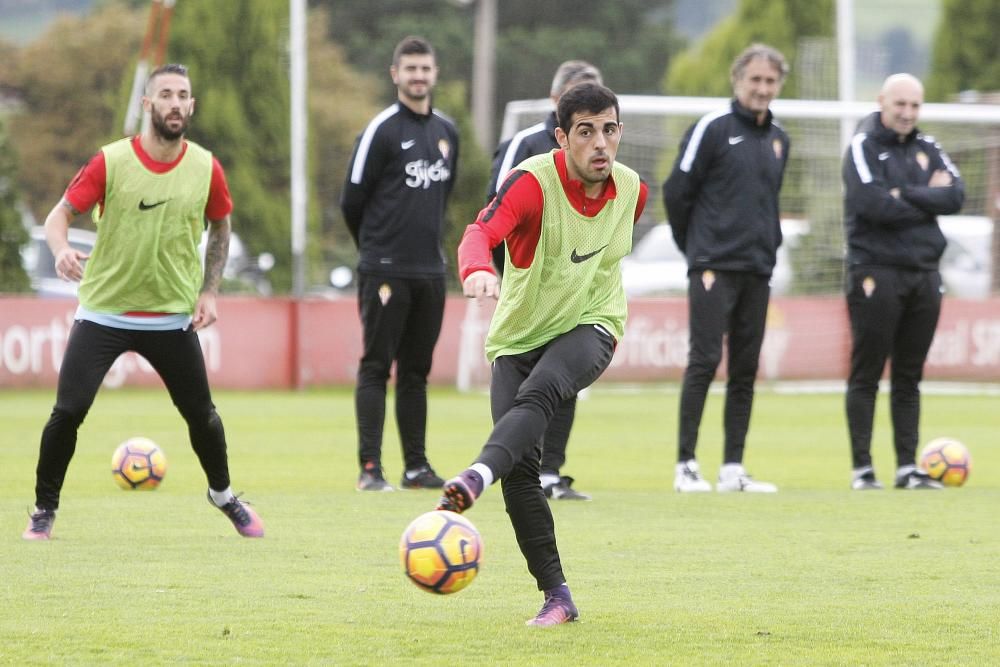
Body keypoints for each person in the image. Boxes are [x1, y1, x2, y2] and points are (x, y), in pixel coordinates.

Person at [22, 63, 263, 540]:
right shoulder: (110, 161)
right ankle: (43, 510)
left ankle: (223, 495)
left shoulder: (205, 166)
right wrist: (61, 249)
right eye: (166, 95)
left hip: (171, 316)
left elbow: (222, 224)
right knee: (67, 413)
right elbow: (58, 217)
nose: (176, 103)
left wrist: (210, 290)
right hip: (104, 311)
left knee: (203, 417)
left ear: (191, 106)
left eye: (184, 95)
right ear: (147, 105)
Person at [436, 83, 648, 625]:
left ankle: (475, 475)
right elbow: (478, 234)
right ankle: (557, 597)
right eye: (586, 131)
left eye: (610, 129)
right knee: (523, 476)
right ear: (562, 137)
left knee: (543, 393)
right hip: (518, 337)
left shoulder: (633, 191)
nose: (601, 143)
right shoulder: (532, 183)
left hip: (592, 323)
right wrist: (478, 269)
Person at [662, 44, 790, 494]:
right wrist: (695, 249)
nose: (762, 88)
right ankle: (686, 465)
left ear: (778, 86)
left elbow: (768, 202)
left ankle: (733, 467)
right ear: (737, 80)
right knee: (704, 360)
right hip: (713, 264)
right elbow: (676, 191)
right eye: (754, 79)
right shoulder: (711, 129)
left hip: (758, 267)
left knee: (745, 367)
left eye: (770, 81)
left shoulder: (779, 138)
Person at [341, 36, 459, 492]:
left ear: (435, 73)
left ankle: (416, 467)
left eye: (425, 69)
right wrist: (375, 252)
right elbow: (351, 200)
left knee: (416, 372)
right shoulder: (382, 130)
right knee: (376, 365)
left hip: (429, 271)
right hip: (384, 269)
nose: (418, 77)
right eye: (409, 69)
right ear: (395, 75)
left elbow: (442, 198)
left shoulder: (448, 133)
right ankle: (370, 469)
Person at [485, 60, 603, 502]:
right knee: (526, 385)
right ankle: (521, 468)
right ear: (556, 102)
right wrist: (507, 278)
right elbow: (495, 213)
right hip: (525, 292)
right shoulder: (525, 145)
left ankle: (552, 471)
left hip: (574, 293)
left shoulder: (599, 152)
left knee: (565, 378)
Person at [843, 73, 965, 491]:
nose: (908, 113)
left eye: (915, 106)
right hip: (875, 271)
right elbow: (871, 204)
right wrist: (922, 196)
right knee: (867, 371)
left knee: (909, 375)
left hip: (925, 273)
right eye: (900, 105)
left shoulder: (928, 146)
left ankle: (906, 468)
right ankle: (863, 469)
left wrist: (901, 194)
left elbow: (956, 195)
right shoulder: (862, 145)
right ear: (882, 102)